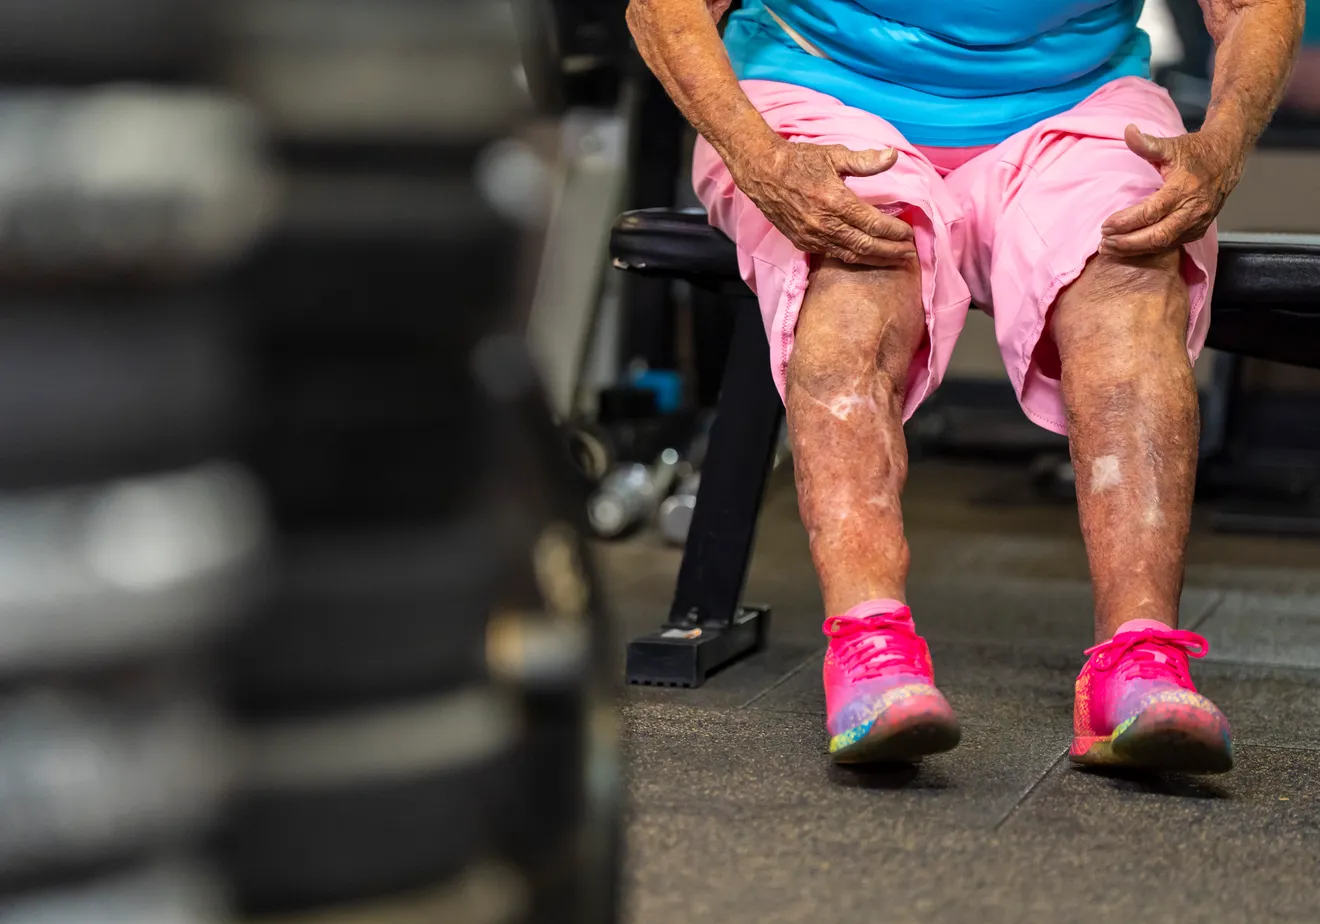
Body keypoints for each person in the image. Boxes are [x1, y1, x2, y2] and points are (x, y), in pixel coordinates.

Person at [626, 0, 1304, 773]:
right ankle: (869, 648)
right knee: (858, 267)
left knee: (1128, 266)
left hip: (1076, 101)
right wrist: (760, 157)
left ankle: (1141, 659)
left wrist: (1222, 145)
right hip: (821, 83)